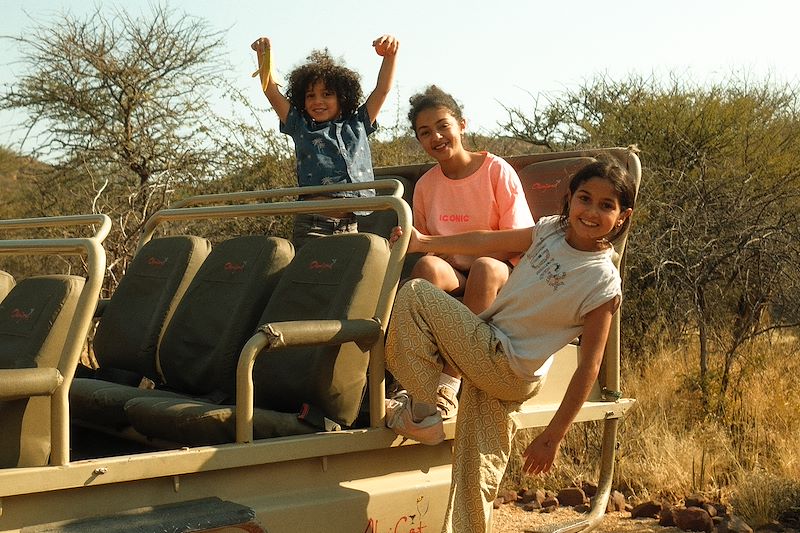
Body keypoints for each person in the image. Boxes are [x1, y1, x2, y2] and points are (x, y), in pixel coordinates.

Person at [385, 157, 635, 532]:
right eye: (585, 198)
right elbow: (487, 240)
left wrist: (552, 438)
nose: (592, 211)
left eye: (606, 205)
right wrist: (426, 242)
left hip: (506, 363)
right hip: (497, 360)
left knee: (417, 295)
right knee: (475, 474)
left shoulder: (602, 281)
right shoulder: (549, 230)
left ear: (622, 217)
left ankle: (422, 410)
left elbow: (590, 367)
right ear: (568, 199)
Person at [403, 85, 534, 420]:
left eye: (443, 126)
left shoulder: (496, 171)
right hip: (454, 273)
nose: (436, 137)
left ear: (462, 124)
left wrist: (440, 245)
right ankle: (415, 377)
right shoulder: (427, 185)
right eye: (425, 132)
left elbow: (518, 240)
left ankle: (450, 380)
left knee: (486, 268)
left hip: (500, 271)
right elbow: (425, 244)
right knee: (428, 269)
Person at [250, 35, 399, 250]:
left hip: (349, 225)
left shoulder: (358, 124)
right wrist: (264, 58)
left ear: (343, 97)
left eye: (327, 94)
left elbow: (382, 89)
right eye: (310, 96)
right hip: (313, 224)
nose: (317, 101)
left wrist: (390, 56)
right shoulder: (301, 126)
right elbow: (271, 92)